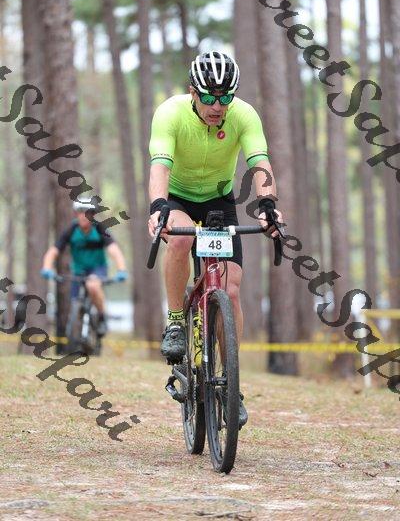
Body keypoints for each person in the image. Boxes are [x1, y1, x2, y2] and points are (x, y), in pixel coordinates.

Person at [148, 51, 283, 428]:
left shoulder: (244, 115)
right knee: (179, 240)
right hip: (177, 197)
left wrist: (268, 204)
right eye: (208, 97)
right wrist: (158, 207)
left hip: (219, 202)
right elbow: (160, 166)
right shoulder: (170, 113)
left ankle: (230, 383)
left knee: (231, 291)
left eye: (225, 98)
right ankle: (177, 320)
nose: (217, 106)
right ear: (193, 92)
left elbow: (260, 163)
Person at [41, 198, 128, 336]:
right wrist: (47, 268)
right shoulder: (71, 230)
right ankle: (77, 335)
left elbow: (114, 250)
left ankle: (102, 317)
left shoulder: (99, 228)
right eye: (80, 212)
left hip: (98, 268)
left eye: (88, 212)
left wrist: (121, 269)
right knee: (75, 302)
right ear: (76, 214)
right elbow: (53, 251)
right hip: (78, 270)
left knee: (92, 286)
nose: (83, 216)